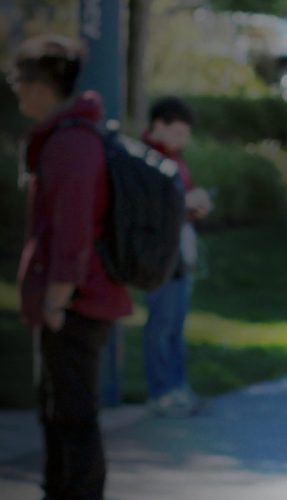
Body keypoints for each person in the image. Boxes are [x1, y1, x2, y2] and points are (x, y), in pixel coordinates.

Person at [11, 35, 132, 499]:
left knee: (74, 417)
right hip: (73, 301)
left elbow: (73, 229)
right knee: (58, 414)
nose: (16, 91)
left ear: (42, 85)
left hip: (76, 303)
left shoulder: (70, 143)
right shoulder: (67, 136)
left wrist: (57, 299)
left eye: (19, 81)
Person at [141, 96, 212, 417]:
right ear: (159, 125)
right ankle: (161, 392)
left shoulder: (175, 159)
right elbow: (147, 208)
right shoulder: (144, 159)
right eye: (178, 132)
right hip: (159, 256)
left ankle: (176, 386)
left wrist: (194, 207)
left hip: (180, 252)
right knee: (161, 324)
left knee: (175, 325)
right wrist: (185, 203)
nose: (182, 140)